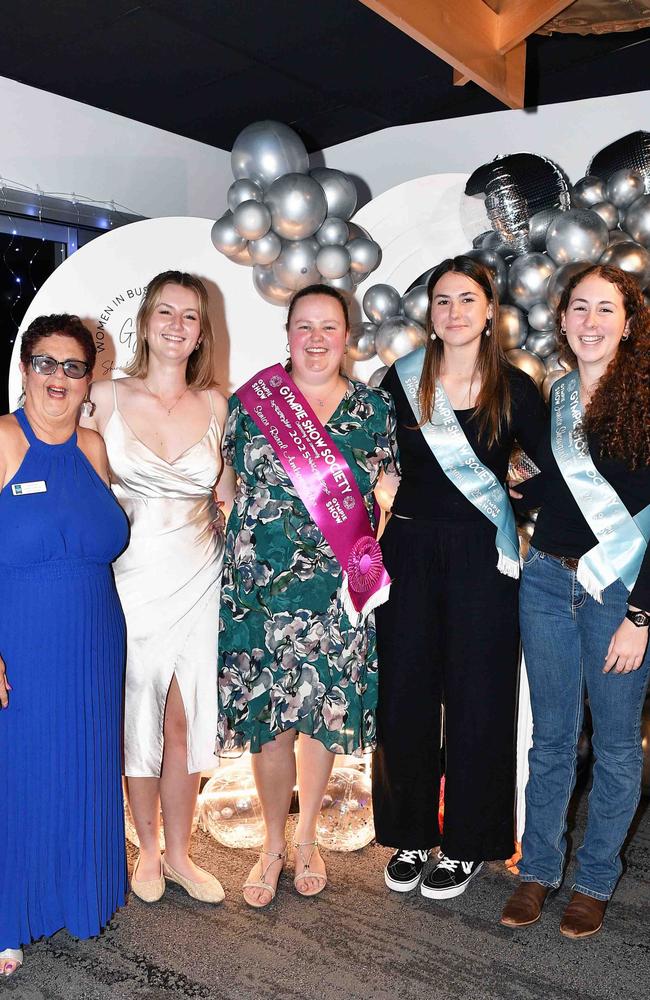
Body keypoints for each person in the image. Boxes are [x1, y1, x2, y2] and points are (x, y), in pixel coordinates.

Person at [217, 283, 398, 908]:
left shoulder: (373, 410)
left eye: (329, 327)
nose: (316, 339)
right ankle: (271, 843)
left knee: (321, 713)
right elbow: (226, 486)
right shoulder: (253, 403)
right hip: (260, 592)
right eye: (304, 327)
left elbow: (389, 495)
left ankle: (308, 840)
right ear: (287, 334)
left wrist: (370, 562)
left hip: (335, 590)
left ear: (347, 337)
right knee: (270, 721)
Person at [372, 255, 547, 900]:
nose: (453, 312)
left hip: (483, 554)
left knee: (481, 697)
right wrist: (377, 480)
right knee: (406, 693)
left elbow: (547, 472)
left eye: (466, 300)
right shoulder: (402, 380)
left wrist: (520, 494)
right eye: (442, 301)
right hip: (409, 547)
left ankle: (470, 840)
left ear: (489, 309)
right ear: (430, 313)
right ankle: (412, 832)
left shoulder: (517, 387)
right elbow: (371, 451)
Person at [500, 264, 650, 938]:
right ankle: (538, 870)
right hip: (546, 582)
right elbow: (550, 495)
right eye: (579, 309)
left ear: (628, 322)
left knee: (617, 746)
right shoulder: (555, 396)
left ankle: (593, 879)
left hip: (619, 590)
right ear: (561, 321)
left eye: (605, 310)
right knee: (553, 736)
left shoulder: (646, 400)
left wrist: (642, 618)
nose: (591, 322)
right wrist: (513, 483)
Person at [84, 270, 228, 905]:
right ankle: (144, 849)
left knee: (185, 716)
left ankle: (179, 853)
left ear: (201, 332)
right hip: (131, 574)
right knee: (137, 710)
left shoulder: (217, 404)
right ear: (145, 323)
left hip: (202, 572)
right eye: (164, 312)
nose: (176, 324)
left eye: (189, 315)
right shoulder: (106, 396)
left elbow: (226, 494)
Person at [0, 315, 129, 977]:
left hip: (95, 643)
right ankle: (7, 914)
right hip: (21, 641)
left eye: (72, 367)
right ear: (24, 369)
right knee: (18, 774)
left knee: (81, 765)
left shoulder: (93, 446)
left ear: (88, 380)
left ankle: (76, 897)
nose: (57, 377)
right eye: (44, 363)